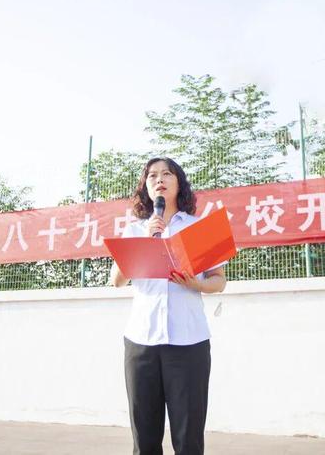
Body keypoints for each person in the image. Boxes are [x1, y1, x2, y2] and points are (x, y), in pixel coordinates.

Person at [110, 157, 228, 455]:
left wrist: (196, 284)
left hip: (189, 341)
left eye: (166, 174)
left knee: (188, 438)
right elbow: (117, 280)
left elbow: (219, 281)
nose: (159, 179)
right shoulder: (135, 229)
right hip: (141, 342)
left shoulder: (199, 227)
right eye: (152, 176)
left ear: (179, 182)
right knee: (145, 439)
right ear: (145, 187)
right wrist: (146, 238)